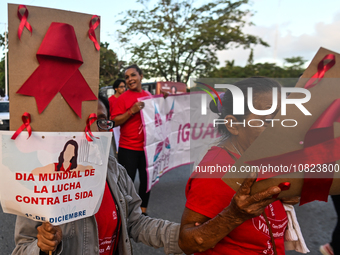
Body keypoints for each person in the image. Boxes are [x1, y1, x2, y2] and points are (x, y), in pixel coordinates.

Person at [11, 96, 183, 255]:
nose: (92, 130)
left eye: (100, 121)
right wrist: (43, 246)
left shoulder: (115, 170)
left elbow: (135, 222)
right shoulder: (42, 180)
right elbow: (22, 248)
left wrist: (181, 235)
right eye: (84, 121)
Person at [178, 77, 299, 255]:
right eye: (268, 121)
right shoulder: (214, 171)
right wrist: (233, 215)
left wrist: (288, 194)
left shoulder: (263, 157)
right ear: (233, 124)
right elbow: (187, 242)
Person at [111, 64, 151, 215]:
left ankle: (143, 212)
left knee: (147, 182)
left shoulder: (149, 96)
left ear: (141, 76)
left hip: (148, 148)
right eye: (127, 77)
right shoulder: (122, 99)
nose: (130, 79)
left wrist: (164, 100)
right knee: (127, 184)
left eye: (133, 75)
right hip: (128, 148)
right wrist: (131, 111)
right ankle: (126, 213)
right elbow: (114, 121)